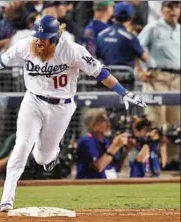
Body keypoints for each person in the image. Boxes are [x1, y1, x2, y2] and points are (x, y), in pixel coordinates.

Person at [0, 15, 146, 211]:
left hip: (62, 106)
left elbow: (100, 72)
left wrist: (123, 92)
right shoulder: (27, 45)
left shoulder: (72, 50)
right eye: (38, 37)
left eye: (44, 38)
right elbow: (1, 60)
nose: (39, 42)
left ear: (55, 39)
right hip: (33, 100)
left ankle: (52, 153)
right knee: (22, 146)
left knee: (43, 157)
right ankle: (7, 198)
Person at [137, 1, 180, 129]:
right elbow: (136, 48)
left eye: (177, 7)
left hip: (177, 80)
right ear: (162, 10)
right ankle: (153, 149)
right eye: (169, 7)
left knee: (175, 125)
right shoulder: (153, 28)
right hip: (156, 78)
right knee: (155, 122)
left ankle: (170, 149)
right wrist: (140, 71)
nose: (173, 10)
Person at [76, 109, 130, 179]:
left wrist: (128, 149)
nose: (108, 124)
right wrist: (115, 146)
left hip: (106, 184)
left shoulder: (106, 141)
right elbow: (99, 167)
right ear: (92, 125)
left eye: (107, 120)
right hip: (89, 185)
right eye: (103, 121)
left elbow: (117, 167)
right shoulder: (86, 141)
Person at [96, 2, 149, 68]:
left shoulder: (101, 35)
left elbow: (97, 56)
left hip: (107, 76)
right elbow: (146, 58)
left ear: (115, 15)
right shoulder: (130, 38)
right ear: (131, 17)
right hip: (127, 76)